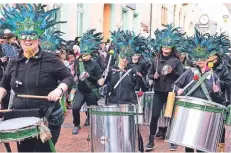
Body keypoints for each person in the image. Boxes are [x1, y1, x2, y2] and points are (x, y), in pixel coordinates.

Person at [0, 4, 74, 152]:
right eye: (24, 36)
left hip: (46, 117)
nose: (28, 40)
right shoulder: (14, 60)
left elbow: (68, 77)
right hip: (21, 118)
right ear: (19, 38)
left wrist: (59, 90)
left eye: (32, 35)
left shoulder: (50, 59)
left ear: (38, 38)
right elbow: (5, 83)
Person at [173, 29, 226, 152]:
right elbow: (175, 85)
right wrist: (178, 89)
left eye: (203, 57)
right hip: (190, 110)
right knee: (189, 145)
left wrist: (217, 92)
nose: (200, 60)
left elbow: (220, 99)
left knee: (203, 146)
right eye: (197, 57)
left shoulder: (213, 76)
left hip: (205, 112)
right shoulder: (189, 72)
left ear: (208, 58)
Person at [145, 24, 184, 151]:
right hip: (158, 92)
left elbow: (181, 76)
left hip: (171, 93)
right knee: (155, 115)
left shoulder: (176, 61)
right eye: (164, 47)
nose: (165, 50)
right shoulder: (155, 60)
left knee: (172, 116)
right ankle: (151, 140)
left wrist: (172, 71)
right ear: (161, 47)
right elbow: (149, 74)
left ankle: (172, 140)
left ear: (171, 48)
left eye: (168, 48)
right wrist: (153, 76)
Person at [98, 29, 149, 104]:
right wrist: (102, 79)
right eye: (122, 57)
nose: (124, 60)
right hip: (113, 103)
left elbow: (145, 87)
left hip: (129, 103)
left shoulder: (133, 70)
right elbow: (100, 84)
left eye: (127, 58)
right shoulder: (111, 69)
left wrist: (140, 78)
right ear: (118, 56)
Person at [72, 29, 102, 135]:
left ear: (90, 54)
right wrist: (75, 78)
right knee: (75, 107)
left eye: (86, 55)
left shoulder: (95, 65)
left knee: (92, 110)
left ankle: (91, 122)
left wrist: (90, 76)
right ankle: (76, 125)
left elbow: (99, 79)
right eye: (83, 55)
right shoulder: (78, 63)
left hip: (91, 90)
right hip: (81, 90)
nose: (84, 57)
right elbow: (75, 75)